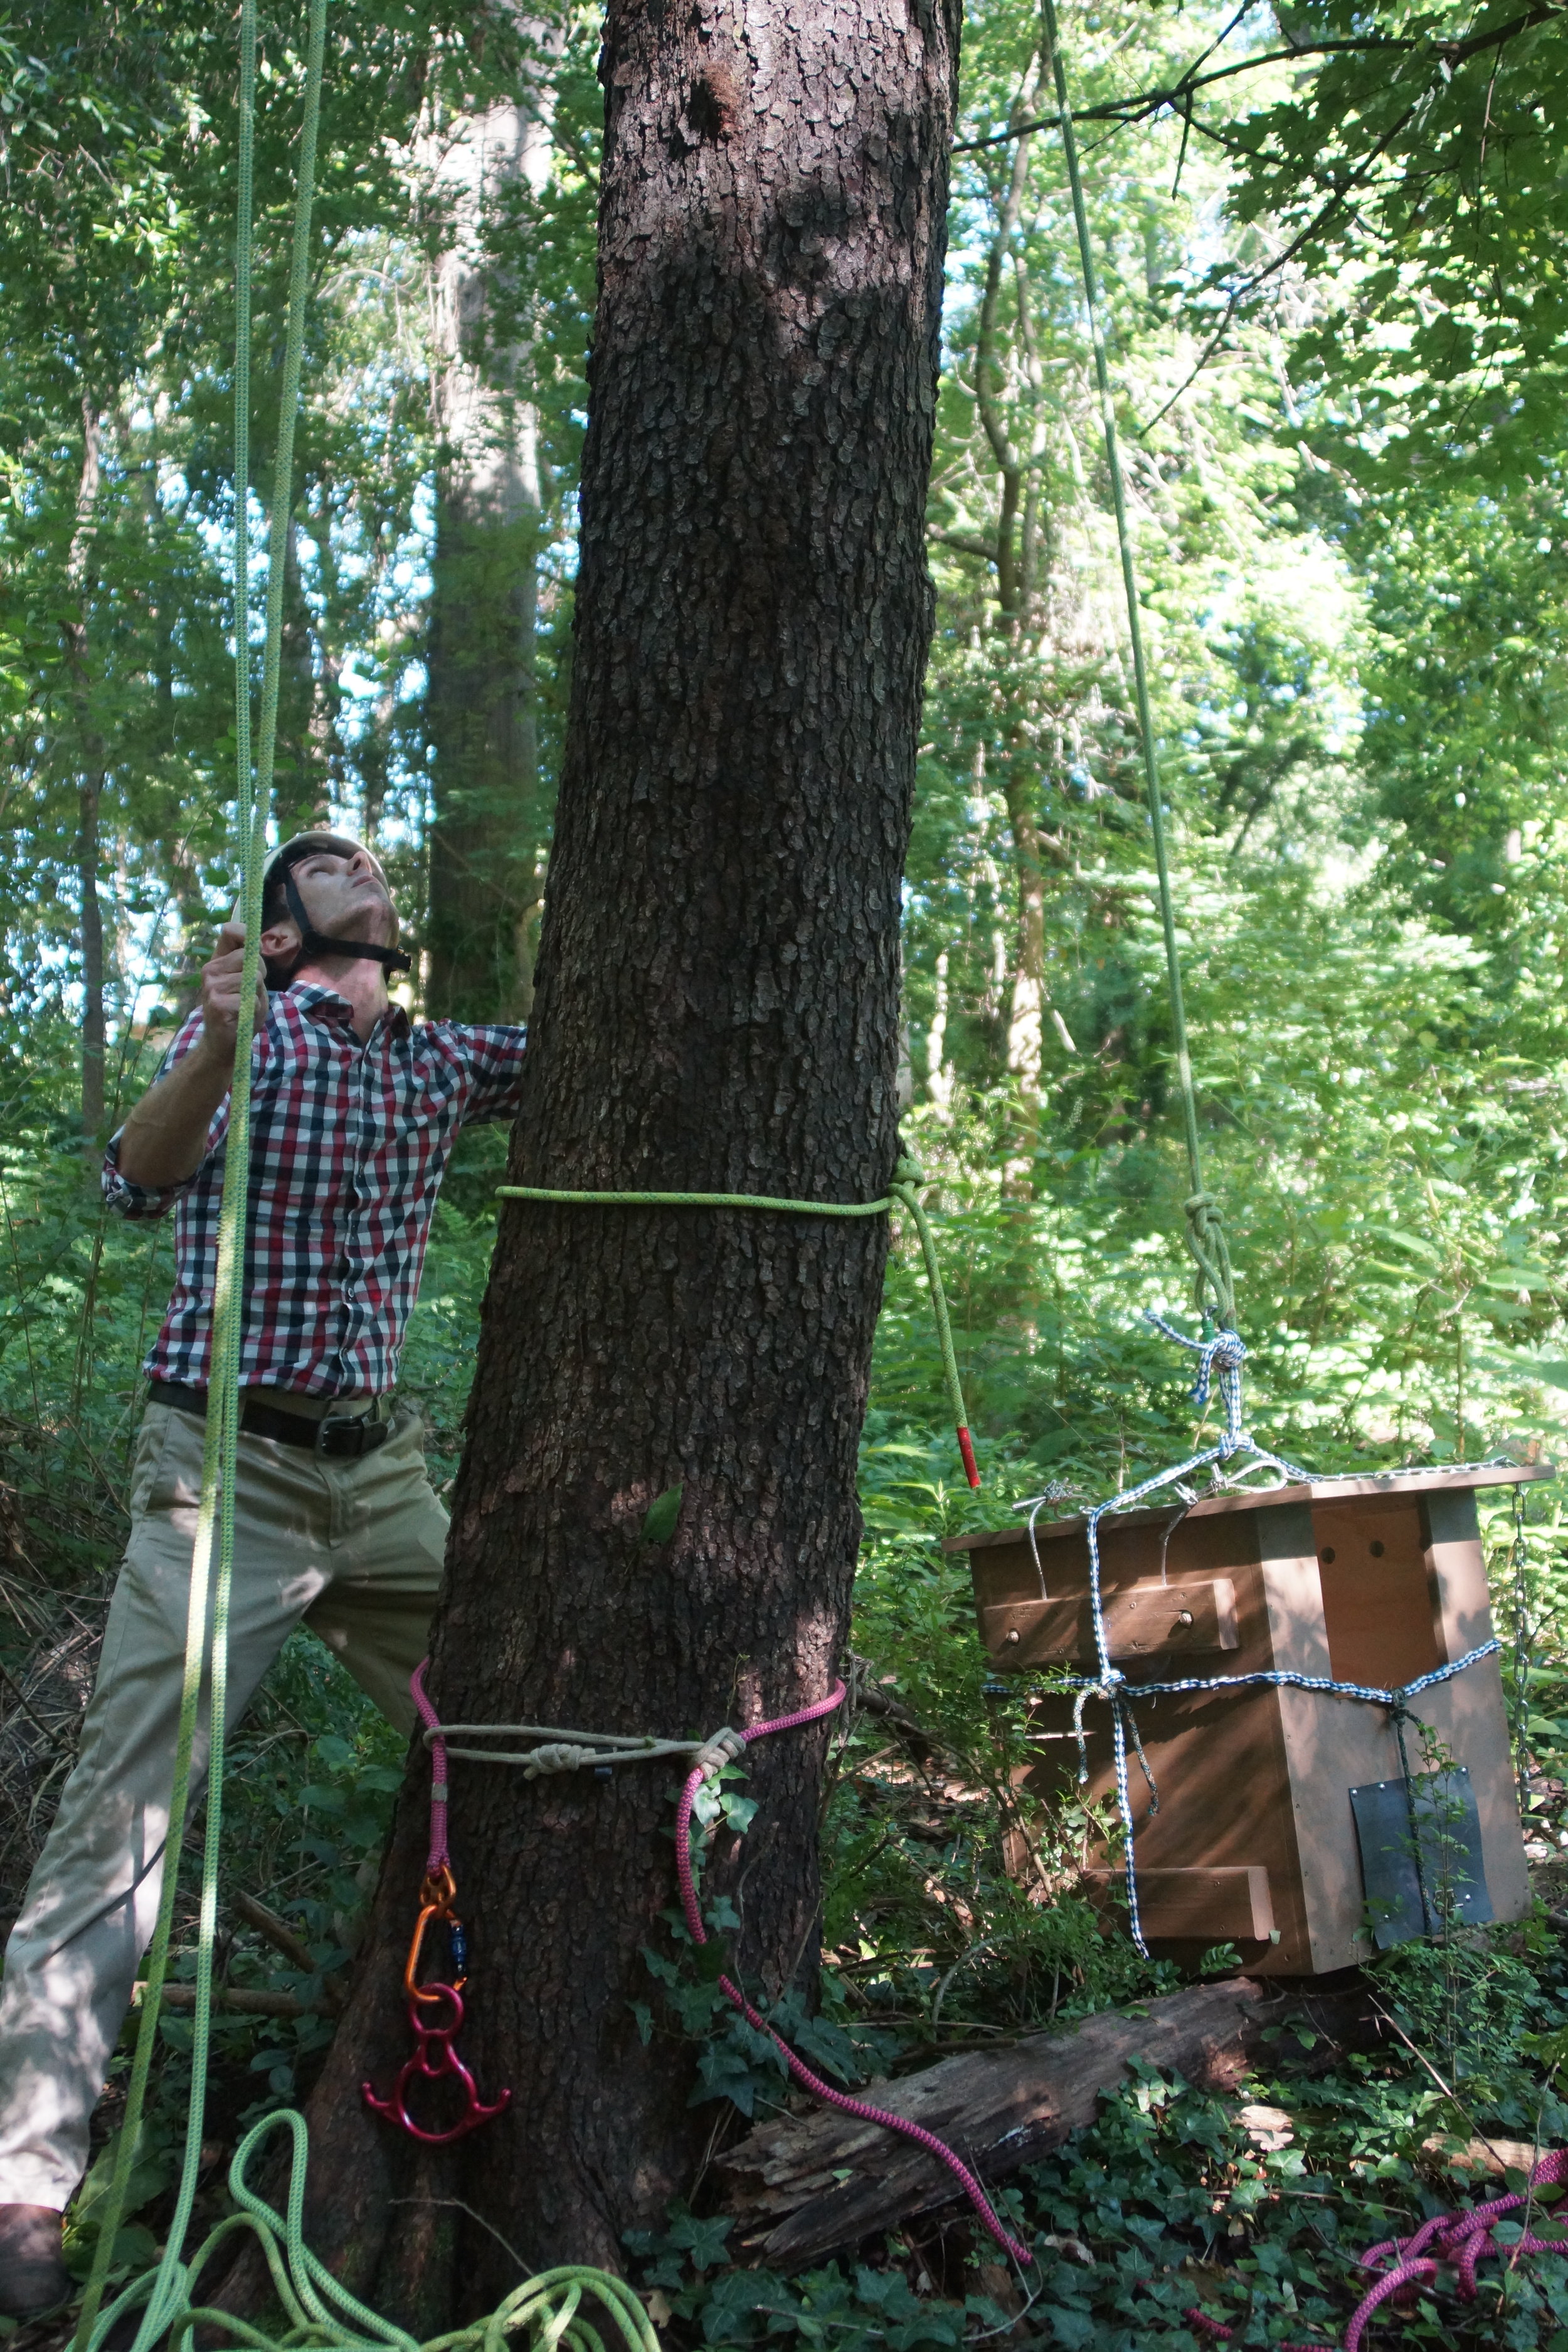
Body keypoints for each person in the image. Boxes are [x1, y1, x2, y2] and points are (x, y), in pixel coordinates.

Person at [0, 834, 527, 2316]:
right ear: (284, 929)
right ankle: (24, 2181)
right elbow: (134, 1181)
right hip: (225, 1475)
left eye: (368, 858)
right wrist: (220, 1042)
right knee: (122, 1817)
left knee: (508, 1717)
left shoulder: (437, 1062)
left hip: (380, 1481)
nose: (363, 867)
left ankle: (461, 2025)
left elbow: (601, 1057)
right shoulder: (240, 1033)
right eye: (326, 863)